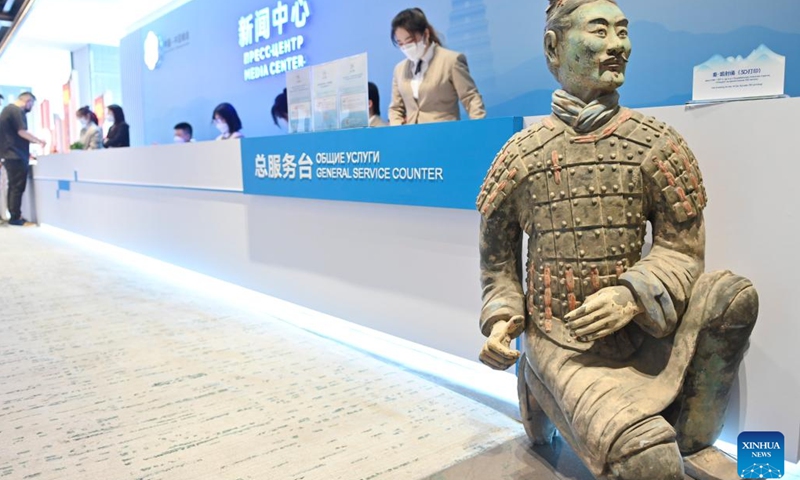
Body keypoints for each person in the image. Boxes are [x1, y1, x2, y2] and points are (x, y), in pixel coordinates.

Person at [476, 1, 758, 479]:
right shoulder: (520, 156)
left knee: (734, 298)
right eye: (600, 31)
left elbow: (683, 252)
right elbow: (498, 267)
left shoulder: (657, 143)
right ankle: (549, 383)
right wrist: (503, 321)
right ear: (554, 46)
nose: (617, 46)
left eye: (623, 32)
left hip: (645, 331)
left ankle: (682, 424)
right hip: (565, 340)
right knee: (650, 462)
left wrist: (631, 294)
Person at [388, 8, 485, 126]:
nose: (406, 47)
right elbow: (396, 108)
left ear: (426, 34)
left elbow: (470, 98)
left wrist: (479, 128)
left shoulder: (451, 61)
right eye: (401, 43)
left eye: (410, 41)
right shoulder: (399, 69)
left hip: (445, 136)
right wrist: (398, 129)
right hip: (411, 138)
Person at [0, 92, 46, 226]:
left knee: (13, 186)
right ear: (28, 101)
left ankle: (14, 215)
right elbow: (22, 132)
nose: (31, 107)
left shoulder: (7, 110)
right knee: (17, 187)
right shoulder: (16, 111)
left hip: (8, 154)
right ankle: (16, 217)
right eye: (31, 104)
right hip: (16, 155)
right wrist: (38, 141)